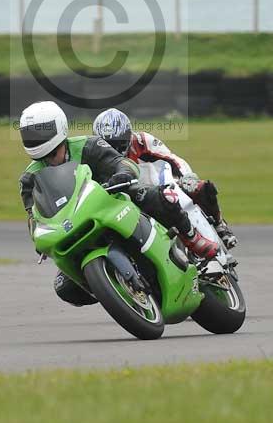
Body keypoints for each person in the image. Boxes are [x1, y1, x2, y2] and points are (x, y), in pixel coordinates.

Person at [18, 101, 219, 307]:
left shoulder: (89, 145)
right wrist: (39, 236)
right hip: (76, 222)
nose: (51, 161)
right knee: (64, 287)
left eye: (53, 154)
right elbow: (35, 215)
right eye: (44, 158)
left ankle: (193, 238)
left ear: (60, 133)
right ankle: (115, 289)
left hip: (114, 199)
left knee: (160, 196)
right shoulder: (29, 178)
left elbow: (122, 162)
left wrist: (123, 174)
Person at [92, 108, 238, 249]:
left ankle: (220, 226)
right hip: (130, 198)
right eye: (109, 145)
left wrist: (186, 176)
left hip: (160, 185)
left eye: (119, 142)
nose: (116, 149)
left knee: (202, 188)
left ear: (129, 134)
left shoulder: (142, 141)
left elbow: (172, 158)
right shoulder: (96, 155)